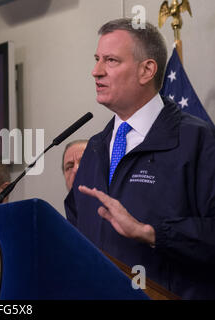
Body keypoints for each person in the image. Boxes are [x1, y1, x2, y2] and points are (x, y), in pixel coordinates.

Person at [64, 18, 215, 299]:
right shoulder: (95, 149)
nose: (95, 72)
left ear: (147, 70)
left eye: (110, 61)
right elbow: (75, 235)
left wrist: (151, 233)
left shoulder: (198, 140)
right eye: (97, 59)